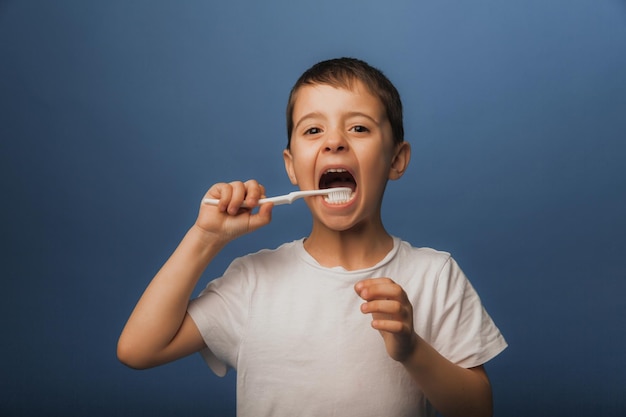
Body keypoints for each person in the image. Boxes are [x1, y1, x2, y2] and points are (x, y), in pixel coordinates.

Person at [117, 57, 507, 417]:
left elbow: (477, 410)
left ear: (396, 159)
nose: (334, 141)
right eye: (313, 129)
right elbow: (138, 349)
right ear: (292, 166)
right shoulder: (255, 280)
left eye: (358, 128)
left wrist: (412, 350)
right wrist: (205, 237)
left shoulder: (434, 276)